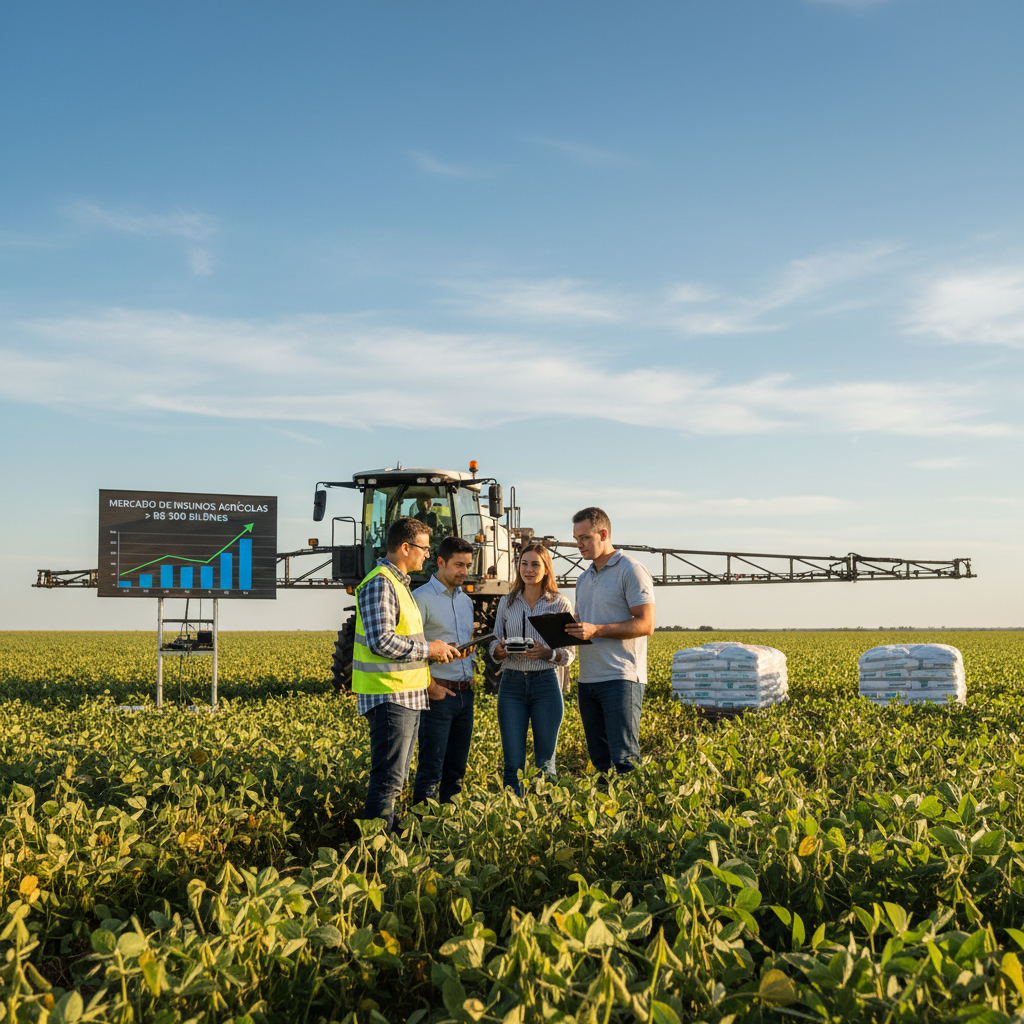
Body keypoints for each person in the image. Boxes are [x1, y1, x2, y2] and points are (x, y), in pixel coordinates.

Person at [353, 515, 463, 833]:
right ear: (405, 547)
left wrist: (435, 653)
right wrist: (430, 650)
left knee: (395, 777)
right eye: (424, 548)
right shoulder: (380, 583)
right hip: (389, 695)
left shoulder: (399, 585)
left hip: (406, 695)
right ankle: (375, 852)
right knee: (388, 780)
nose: (428, 555)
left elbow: (407, 639)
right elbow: (381, 640)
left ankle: (388, 837)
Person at [563, 507, 655, 774]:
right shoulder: (583, 578)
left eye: (584, 538)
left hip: (621, 677)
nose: (578, 544)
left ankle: (631, 813)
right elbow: (583, 625)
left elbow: (646, 624)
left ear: (603, 534)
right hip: (588, 679)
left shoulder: (631, 570)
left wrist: (597, 630)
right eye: (576, 538)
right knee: (600, 761)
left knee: (624, 759)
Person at [489, 543, 575, 795]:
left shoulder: (559, 604)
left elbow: (569, 655)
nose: (528, 569)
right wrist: (499, 650)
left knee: (545, 764)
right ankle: (512, 819)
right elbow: (494, 641)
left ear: (546, 569)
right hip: (512, 684)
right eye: (524, 563)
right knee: (512, 764)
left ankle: (543, 819)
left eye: (535, 564)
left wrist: (547, 653)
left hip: (546, 684)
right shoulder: (507, 602)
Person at [412, 536, 477, 805]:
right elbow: (413, 650)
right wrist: (431, 687)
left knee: (456, 772)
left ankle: (450, 829)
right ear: (440, 562)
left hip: (465, 694)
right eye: (458, 565)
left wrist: (467, 650)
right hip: (437, 694)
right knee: (431, 771)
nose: (464, 571)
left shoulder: (467, 602)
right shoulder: (420, 599)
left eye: (468, 565)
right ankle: (423, 835)